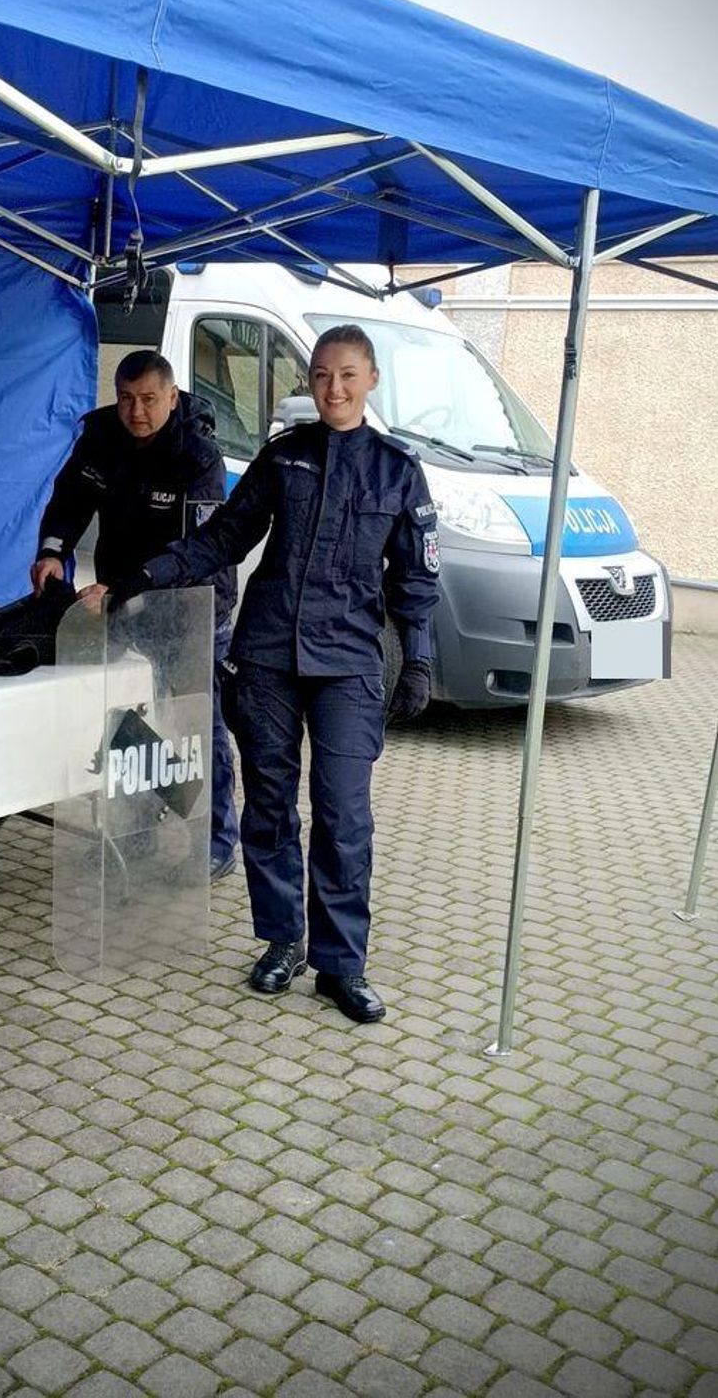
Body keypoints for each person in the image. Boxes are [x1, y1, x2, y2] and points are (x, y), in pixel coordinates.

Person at [109, 325, 439, 1023]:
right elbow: (225, 537)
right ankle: (282, 941)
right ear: (309, 381)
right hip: (266, 658)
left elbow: (415, 577)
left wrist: (421, 658)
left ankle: (341, 965)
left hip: (348, 662)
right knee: (269, 806)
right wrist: (146, 574)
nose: (334, 389)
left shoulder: (395, 469)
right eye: (321, 376)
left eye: (347, 375)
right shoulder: (283, 459)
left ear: (371, 380)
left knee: (345, 812)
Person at [31, 350, 239, 878]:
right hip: (121, 602)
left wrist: (129, 585)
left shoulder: (198, 454)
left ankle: (215, 839)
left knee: (196, 727)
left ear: (172, 397)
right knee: (127, 717)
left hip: (192, 606)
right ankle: (136, 830)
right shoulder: (100, 437)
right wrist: (53, 551)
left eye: (149, 399)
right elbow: (68, 501)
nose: (137, 411)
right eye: (126, 398)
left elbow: (201, 548)